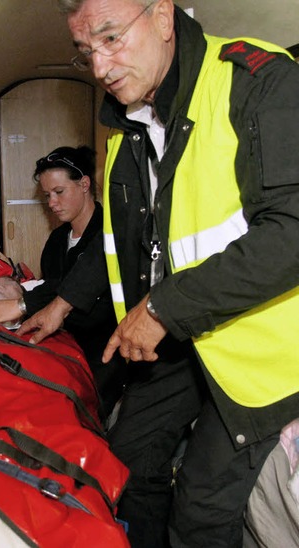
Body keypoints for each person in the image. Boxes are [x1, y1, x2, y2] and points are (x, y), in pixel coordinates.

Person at [55, 0, 299, 546]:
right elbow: (122, 240)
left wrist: (164, 308)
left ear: (163, 17)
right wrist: (59, 303)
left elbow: (294, 231)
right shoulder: (125, 127)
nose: (98, 66)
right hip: (191, 338)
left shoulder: (255, 82)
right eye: (85, 52)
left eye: (111, 39)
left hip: (269, 354)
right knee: (124, 463)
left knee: (198, 511)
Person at [0, 145, 126, 420]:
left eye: (59, 192)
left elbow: (74, 290)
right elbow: (52, 288)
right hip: (63, 345)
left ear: (84, 184)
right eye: (47, 195)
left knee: (65, 413)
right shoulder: (55, 243)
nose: (52, 203)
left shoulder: (109, 234)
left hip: (105, 352)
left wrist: (24, 303)